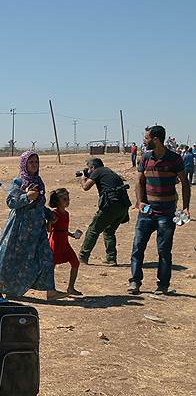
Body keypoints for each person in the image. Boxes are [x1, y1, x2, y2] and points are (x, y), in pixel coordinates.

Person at [0, 151, 67, 300]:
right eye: (31, 162)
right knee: (14, 259)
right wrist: (26, 197)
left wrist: (48, 215)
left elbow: (40, 204)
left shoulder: (39, 181)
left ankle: (50, 291)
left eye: (36, 162)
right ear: (24, 164)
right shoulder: (18, 182)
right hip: (20, 229)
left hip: (37, 229)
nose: (34, 165)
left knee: (46, 257)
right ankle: (9, 289)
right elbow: (11, 202)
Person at [128, 125, 191, 295]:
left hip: (166, 212)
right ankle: (135, 282)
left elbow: (185, 183)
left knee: (164, 250)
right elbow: (139, 182)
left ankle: (162, 285)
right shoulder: (145, 158)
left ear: (156, 140)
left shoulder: (175, 159)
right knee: (138, 247)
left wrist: (185, 207)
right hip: (146, 212)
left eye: (146, 138)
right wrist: (140, 202)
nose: (144, 141)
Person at [77, 158, 130, 266]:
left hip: (110, 206)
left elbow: (86, 187)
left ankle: (83, 256)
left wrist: (83, 177)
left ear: (93, 167)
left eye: (89, 168)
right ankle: (111, 259)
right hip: (123, 206)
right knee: (109, 231)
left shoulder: (97, 171)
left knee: (93, 230)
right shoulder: (109, 171)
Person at [48, 188, 82, 295]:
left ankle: (70, 288)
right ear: (57, 201)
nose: (67, 201)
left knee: (75, 262)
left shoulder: (66, 214)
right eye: (64, 199)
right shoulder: (55, 214)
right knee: (51, 266)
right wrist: (50, 222)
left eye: (67, 198)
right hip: (56, 242)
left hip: (64, 242)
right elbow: (49, 229)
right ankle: (51, 290)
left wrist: (72, 235)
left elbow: (63, 230)